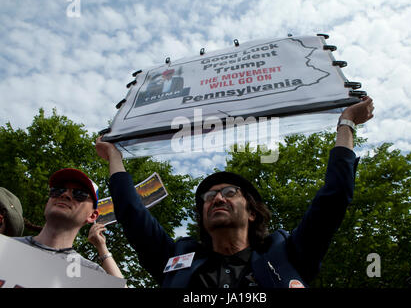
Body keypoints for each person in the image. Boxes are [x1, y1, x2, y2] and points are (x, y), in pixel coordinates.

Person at [96, 96, 374, 288]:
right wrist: (114, 157)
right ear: (203, 218)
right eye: (208, 197)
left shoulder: (288, 252)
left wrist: (346, 123)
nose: (216, 198)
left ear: (252, 212)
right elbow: (132, 214)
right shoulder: (176, 257)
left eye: (229, 192)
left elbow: (334, 196)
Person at [14, 168, 106, 274]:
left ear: (92, 216)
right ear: (47, 203)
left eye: (79, 193)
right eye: (57, 190)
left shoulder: (92, 275)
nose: (65, 195)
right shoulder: (4, 248)